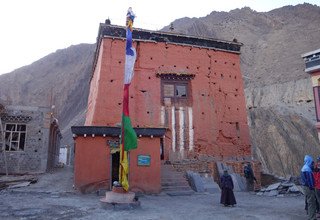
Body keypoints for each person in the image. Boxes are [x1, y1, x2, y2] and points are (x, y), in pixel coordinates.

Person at [301, 155, 316, 220]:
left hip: (304, 187)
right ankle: (312, 218)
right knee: (312, 203)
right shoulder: (307, 169)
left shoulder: (304, 167)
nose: (312, 163)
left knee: (308, 202)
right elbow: (310, 181)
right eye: (312, 162)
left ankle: (310, 216)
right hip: (308, 188)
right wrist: (312, 188)